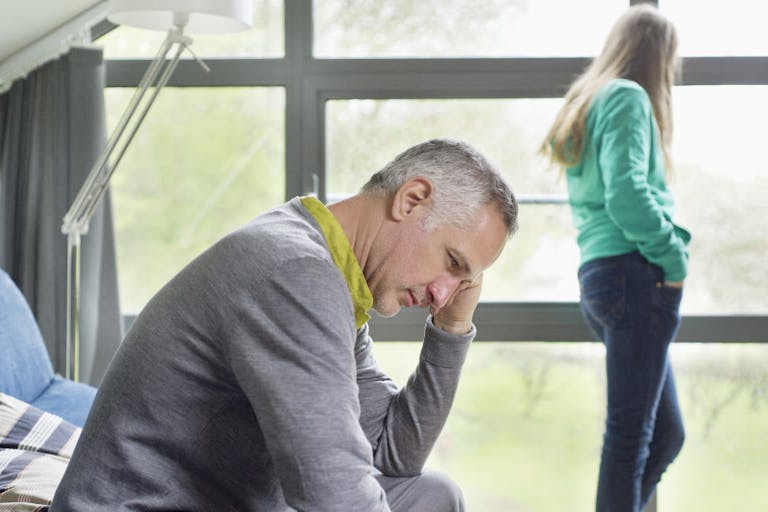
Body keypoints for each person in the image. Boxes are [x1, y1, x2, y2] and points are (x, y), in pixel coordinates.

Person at [50, 139, 518, 512]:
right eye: (452, 262)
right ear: (412, 200)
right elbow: (332, 495)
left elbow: (394, 453)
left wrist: (452, 329)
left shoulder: (326, 275)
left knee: (433, 494)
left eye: (463, 279)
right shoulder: (295, 272)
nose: (443, 292)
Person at [540, 5, 689, 511]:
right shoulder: (627, 97)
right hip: (635, 274)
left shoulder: (591, 100)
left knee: (665, 434)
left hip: (605, 276)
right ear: (658, 56)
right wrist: (673, 260)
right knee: (630, 440)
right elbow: (627, 193)